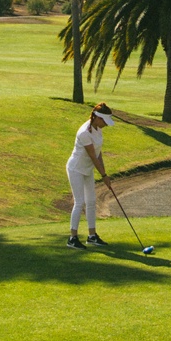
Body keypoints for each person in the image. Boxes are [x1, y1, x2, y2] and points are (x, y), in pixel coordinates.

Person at [65, 103, 115, 249]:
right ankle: (72, 238)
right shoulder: (84, 133)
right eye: (105, 121)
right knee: (79, 202)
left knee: (92, 201)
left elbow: (99, 154)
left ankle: (92, 236)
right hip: (76, 169)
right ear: (97, 118)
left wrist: (105, 173)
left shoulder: (98, 129)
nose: (106, 124)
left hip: (87, 169)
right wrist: (104, 175)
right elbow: (93, 156)